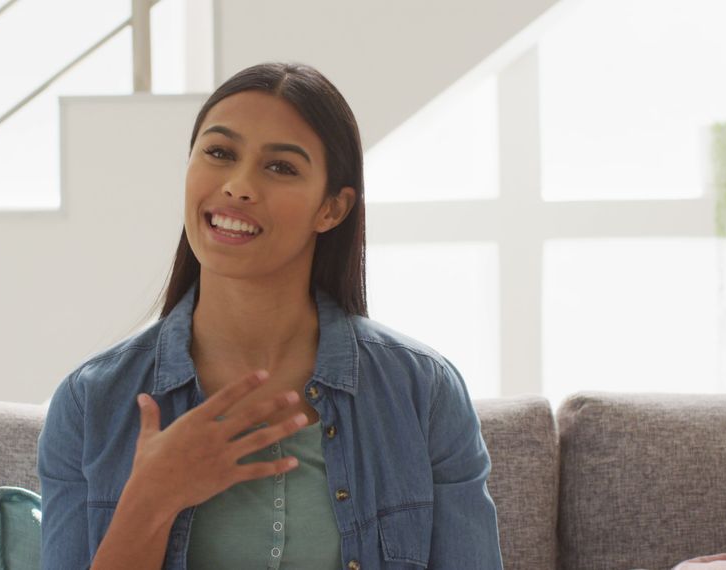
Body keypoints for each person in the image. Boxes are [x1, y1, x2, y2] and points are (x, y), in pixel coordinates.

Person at [38, 61, 503, 570]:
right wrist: (150, 500)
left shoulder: (423, 392)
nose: (238, 186)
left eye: (280, 167)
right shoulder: (91, 402)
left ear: (332, 209)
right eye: (219, 152)